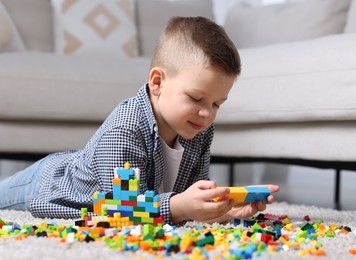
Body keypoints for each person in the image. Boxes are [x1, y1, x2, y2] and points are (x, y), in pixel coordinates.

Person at [0, 16, 279, 225]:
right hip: (48, 186)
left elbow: (189, 196)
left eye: (217, 104)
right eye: (196, 98)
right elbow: (121, 211)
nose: (207, 113)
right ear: (157, 82)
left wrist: (220, 210)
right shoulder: (126, 129)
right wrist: (180, 207)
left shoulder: (199, 129)